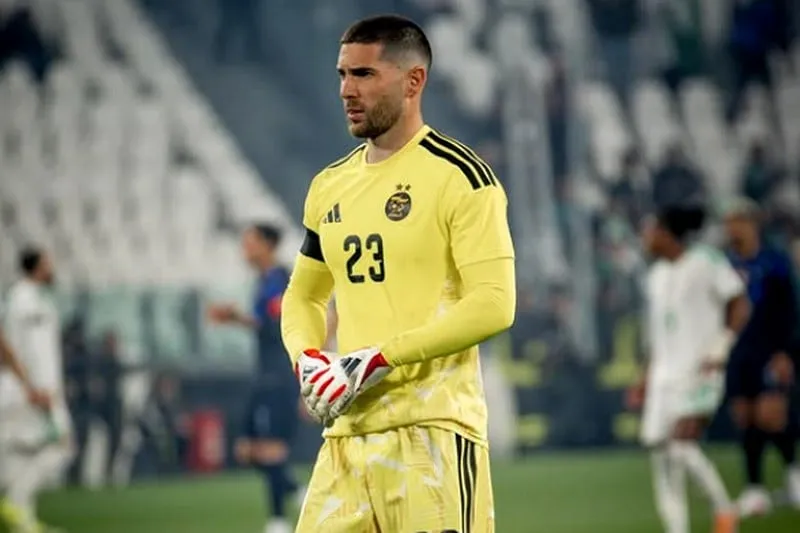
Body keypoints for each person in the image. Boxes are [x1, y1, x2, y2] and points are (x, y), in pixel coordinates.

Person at [281, 15, 516, 532]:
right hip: (346, 439)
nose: (346, 90)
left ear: (413, 81)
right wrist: (307, 359)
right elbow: (303, 296)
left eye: (364, 74)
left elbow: (495, 304)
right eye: (343, 75)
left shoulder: (462, 177)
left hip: (432, 435)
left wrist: (380, 358)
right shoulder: (329, 186)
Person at [628, 206, 749, 533]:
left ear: (666, 233)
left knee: (681, 447)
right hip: (663, 377)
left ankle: (724, 512)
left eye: (650, 231)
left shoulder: (706, 261)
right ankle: (678, 527)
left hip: (698, 372)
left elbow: (739, 303)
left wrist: (722, 345)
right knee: (662, 456)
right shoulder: (656, 276)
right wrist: (645, 376)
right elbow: (658, 332)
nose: (645, 238)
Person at [207, 224, 304, 533]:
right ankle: (296, 491)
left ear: (267, 244)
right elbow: (263, 323)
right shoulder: (263, 281)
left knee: (271, 448)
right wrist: (236, 318)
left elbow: (275, 326)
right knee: (247, 450)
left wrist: (236, 318)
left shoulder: (280, 279)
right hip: (264, 373)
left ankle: (278, 520)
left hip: (279, 374)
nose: (244, 249)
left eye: (250, 242)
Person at [722, 198, 800, 516]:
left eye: (736, 221)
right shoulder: (725, 264)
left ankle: (794, 474)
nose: (731, 229)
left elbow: (790, 310)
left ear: (751, 223)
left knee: (771, 414)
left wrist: (786, 352)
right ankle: (754, 488)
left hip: (770, 349)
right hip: (738, 352)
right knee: (745, 416)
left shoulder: (774, 262)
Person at [0, 247, 73, 533]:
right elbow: (16, 346)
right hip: (32, 391)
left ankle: (24, 522)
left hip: (39, 388)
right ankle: (16, 502)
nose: (52, 267)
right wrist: (32, 386)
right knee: (63, 445)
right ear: (37, 267)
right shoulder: (22, 300)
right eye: (48, 262)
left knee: (24, 451)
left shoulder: (38, 299)